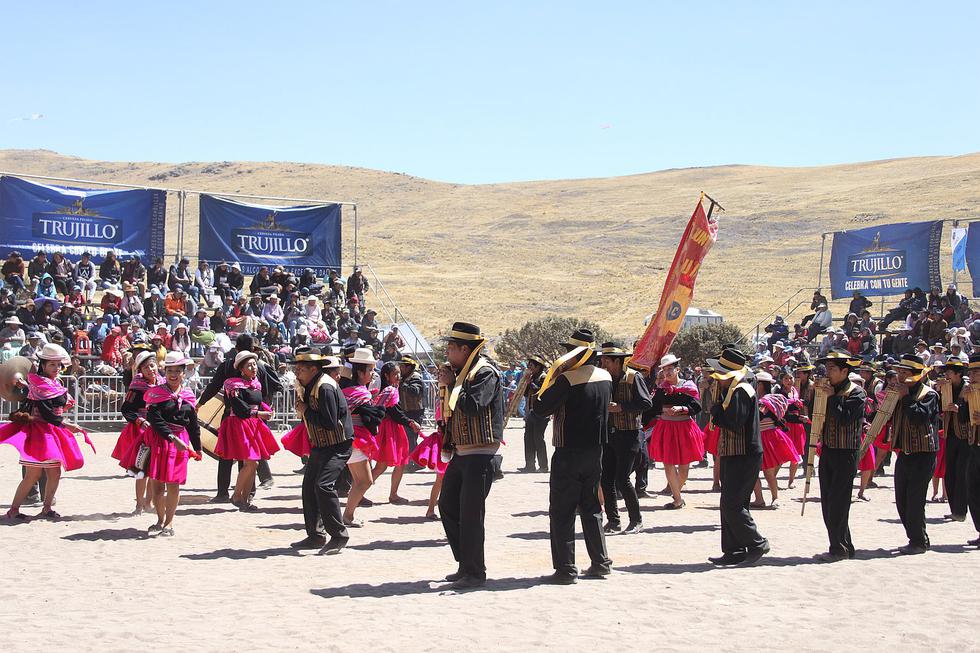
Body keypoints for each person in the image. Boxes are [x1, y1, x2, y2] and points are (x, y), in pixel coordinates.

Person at [534, 328, 614, 584]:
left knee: (562, 511)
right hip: (595, 451)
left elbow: (540, 407)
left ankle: (566, 569)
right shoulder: (605, 376)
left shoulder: (568, 379)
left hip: (568, 450)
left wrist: (552, 379)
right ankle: (600, 561)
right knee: (592, 508)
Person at [436, 322, 505, 589]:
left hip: (481, 453)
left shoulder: (484, 373)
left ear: (465, 350)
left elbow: (474, 405)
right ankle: (465, 563)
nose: (448, 352)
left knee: (471, 514)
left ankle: (475, 572)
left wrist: (452, 384)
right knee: (448, 505)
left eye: (451, 348)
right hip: (462, 453)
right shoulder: (462, 373)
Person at [1, 343, 90, 520]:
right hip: (40, 432)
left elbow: (55, 409)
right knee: (32, 474)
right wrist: (66, 425)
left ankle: (47, 508)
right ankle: (14, 510)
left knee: (54, 472)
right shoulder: (40, 384)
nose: (56, 368)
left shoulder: (52, 383)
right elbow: (47, 413)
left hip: (52, 431)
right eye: (52, 364)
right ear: (43, 365)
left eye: (58, 365)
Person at [285, 350, 354, 553]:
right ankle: (315, 536)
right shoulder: (310, 385)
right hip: (322, 445)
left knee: (323, 486)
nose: (297, 373)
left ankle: (339, 536)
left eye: (301, 369)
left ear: (313, 369)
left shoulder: (325, 387)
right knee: (309, 487)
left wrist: (306, 410)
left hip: (338, 444)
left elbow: (330, 422)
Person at [200, 334, 282, 501]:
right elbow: (273, 387)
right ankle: (248, 493)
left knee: (229, 454)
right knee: (250, 455)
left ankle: (224, 493)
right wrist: (264, 408)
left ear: (236, 348)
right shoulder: (261, 365)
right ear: (253, 348)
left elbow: (213, 387)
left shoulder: (227, 366)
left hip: (233, 415)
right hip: (251, 416)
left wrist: (201, 403)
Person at [706, 347, 769, 566]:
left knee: (732, 504)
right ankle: (733, 550)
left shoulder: (742, 391)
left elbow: (734, 422)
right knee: (729, 503)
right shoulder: (733, 390)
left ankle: (757, 542)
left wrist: (716, 412)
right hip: (732, 453)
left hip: (744, 455)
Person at [807, 351, 867, 561]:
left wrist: (832, 397)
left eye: (832, 369)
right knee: (827, 502)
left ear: (844, 371)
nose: (828, 373)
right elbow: (814, 415)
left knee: (838, 503)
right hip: (828, 451)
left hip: (846, 453)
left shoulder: (857, 393)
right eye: (827, 368)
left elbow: (845, 419)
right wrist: (815, 395)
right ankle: (842, 545)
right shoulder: (827, 390)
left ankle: (839, 549)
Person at [144, 352, 203, 536]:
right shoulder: (156, 393)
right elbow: (155, 419)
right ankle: (160, 519)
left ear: (184, 373)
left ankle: (169, 523)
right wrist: (171, 437)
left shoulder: (188, 395)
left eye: (178, 371)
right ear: (165, 371)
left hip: (180, 443)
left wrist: (198, 447)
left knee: (173, 484)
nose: (174, 374)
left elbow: (193, 424)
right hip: (161, 441)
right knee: (157, 486)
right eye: (170, 370)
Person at [596, 342, 652, 533]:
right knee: (606, 479)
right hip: (609, 434)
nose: (603, 363)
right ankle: (613, 521)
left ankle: (636, 520)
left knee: (622, 478)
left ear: (617, 361)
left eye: (606, 360)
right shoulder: (604, 378)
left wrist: (621, 407)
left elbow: (646, 403)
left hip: (629, 434)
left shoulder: (633, 377)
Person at [214, 350, 279, 511]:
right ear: (241, 369)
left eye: (254, 364)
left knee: (253, 463)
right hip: (239, 425)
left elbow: (258, 401)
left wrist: (266, 410)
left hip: (253, 425)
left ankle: (244, 500)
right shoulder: (233, 385)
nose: (253, 367)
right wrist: (259, 414)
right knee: (251, 462)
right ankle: (237, 495)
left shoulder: (256, 384)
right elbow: (239, 407)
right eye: (249, 365)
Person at [889, 354, 940, 554]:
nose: (900, 376)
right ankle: (916, 537)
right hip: (904, 453)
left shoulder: (929, 394)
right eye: (899, 372)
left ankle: (918, 541)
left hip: (923, 454)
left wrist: (905, 397)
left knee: (915, 500)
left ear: (916, 375)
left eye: (905, 373)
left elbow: (919, 417)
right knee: (901, 499)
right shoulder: (900, 392)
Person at [648, 353, 703, 510]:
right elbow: (653, 407)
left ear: (677, 370)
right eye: (664, 370)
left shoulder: (688, 387)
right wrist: (661, 411)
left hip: (684, 428)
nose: (667, 373)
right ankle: (677, 499)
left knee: (684, 467)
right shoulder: (661, 389)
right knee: (668, 463)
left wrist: (682, 408)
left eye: (670, 369)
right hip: (666, 428)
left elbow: (696, 406)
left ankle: (676, 492)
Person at [113, 350, 164, 513]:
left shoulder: (163, 385)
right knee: (141, 469)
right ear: (140, 370)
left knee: (154, 470)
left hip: (159, 430)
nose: (150, 370)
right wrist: (140, 420)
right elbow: (126, 409)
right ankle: (139, 504)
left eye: (152, 365)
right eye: (145, 367)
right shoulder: (137, 387)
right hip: (142, 432)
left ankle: (149, 503)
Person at [341, 347, 386, 526]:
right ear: (360, 372)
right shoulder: (361, 393)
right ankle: (347, 516)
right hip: (357, 440)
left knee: (359, 481)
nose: (373, 374)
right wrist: (380, 409)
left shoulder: (349, 390)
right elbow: (370, 419)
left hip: (349, 439)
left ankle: (348, 515)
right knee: (365, 481)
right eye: (370, 370)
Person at [370, 361, 421, 504]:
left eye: (399, 373)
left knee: (398, 462)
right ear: (386, 376)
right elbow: (395, 412)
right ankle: (360, 491)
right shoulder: (389, 391)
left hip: (392, 429)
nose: (398, 376)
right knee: (382, 465)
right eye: (395, 374)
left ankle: (393, 494)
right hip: (389, 430)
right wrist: (410, 422)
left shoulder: (390, 389)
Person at [752, 372, 800, 508]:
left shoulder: (765, 401)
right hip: (760, 436)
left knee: (768, 472)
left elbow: (759, 415)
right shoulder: (762, 399)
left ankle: (774, 498)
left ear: (760, 385)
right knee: (754, 472)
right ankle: (760, 499)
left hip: (766, 437)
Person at [941, 359, 971, 522]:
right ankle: (954, 509)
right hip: (950, 435)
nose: (946, 374)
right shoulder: (946, 387)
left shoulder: (968, 388)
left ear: (958, 374)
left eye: (949, 372)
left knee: (961, 474)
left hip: (966, 437)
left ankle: (960, 511)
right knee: (949, 474)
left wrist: (960, 409)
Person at [518, 355, 550, 473]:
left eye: (531, 365)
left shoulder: (544, 377)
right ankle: (529, 465)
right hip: (531, 412)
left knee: (538, 439)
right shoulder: (531, 377)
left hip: (541, 413)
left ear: (538, 367)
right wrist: (526, 384)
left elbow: (542, 392)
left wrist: (530, 383)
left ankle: (543, 466)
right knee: (528, 438)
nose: (529, 368)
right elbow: (526, 394)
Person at [398, 355, 426, 457]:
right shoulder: (405, 377)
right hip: (406, 412)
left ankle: (414, 461)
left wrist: (402, 384)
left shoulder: (415, 377)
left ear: (408, 367)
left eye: (402, 366)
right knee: (406, 439)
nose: (400, 368)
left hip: (415, 413)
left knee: (411, 439)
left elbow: (415, 391)